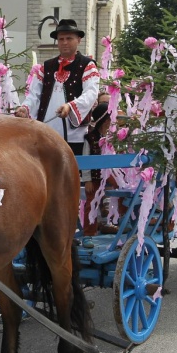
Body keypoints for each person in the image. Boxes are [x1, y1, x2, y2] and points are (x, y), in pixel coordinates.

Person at [15, 19, 99, 155]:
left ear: (79, 40)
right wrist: (25, 108)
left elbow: (91, 93)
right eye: (61, 39)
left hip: (73, 133)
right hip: (46, 130)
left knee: (71, 172)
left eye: (69, 38)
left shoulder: (87, 65)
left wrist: (70, 106)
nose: (65, 42)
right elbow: (34, 94)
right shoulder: (46, 67)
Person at [81, 103, 110, 247]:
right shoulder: (90, 138)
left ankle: (120, 220)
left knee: (123, 193)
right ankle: (89, 233)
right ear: (105, 121)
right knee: (91, 204)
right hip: (95, 178)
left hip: (109, 176)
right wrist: (87, 180)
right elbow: (86, 160)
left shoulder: (112, 137)